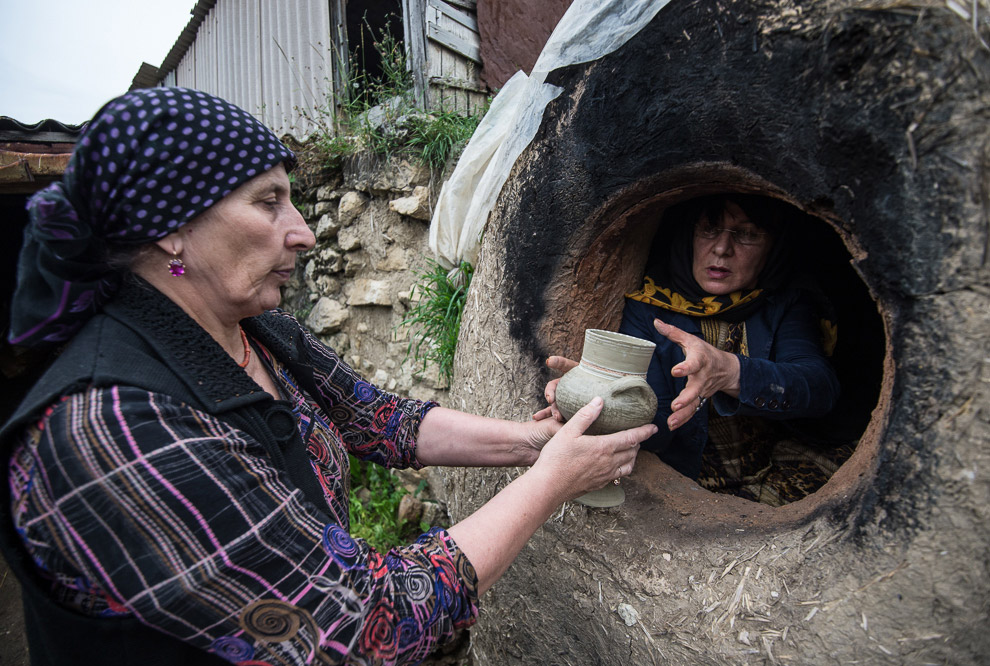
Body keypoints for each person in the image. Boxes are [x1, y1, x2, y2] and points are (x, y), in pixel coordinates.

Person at [0, 87, 655, 666]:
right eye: (268, 203)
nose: (305, 233)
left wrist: (533, 443)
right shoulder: (112, 430)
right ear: (172, 229)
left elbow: (379, 421)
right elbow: (372, 625)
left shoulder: (251, 329)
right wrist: (552, 481)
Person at [540, 194, 844, 506]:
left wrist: (730, 372)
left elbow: (820, 388)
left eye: (748, 234)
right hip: (693, 481)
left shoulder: (785, 303)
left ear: (774, 247)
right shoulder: (650, 308)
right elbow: (657, 424)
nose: (722, 249)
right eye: (709, 230)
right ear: (689, 235)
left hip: (777, 467)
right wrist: (599, 403)